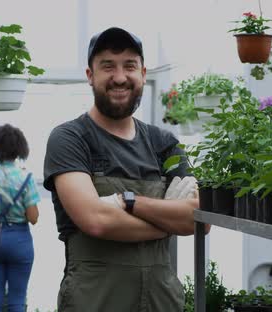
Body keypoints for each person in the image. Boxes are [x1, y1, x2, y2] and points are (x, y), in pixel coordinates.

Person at [43, 27, 210, 312]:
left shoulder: (163, 144)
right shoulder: (71, 138)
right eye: (107, 66)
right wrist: (166, 219)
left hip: (161, 301)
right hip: (94, 300)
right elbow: (95, 220)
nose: (120, 77)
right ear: (90, 76)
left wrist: (127, 202)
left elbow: (200, 222)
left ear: (143, 74)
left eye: (129, 66)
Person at [0, 124, 40, 312]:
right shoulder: (25, 177)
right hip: (19, 240)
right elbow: (33, 217)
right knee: (17, 299)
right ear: (20, 149)